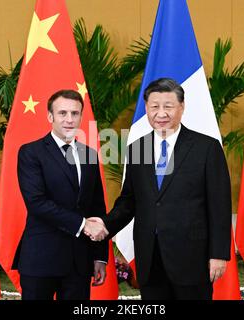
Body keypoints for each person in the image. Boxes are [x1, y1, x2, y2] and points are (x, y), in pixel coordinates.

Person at [86, 78, 232, 300]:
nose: (161, 113)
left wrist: (219, 254)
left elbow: (220, 205)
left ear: (181, 107)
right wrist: (106, 225)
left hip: (192, 258)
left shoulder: (206, 147)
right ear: (146, 108)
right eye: (154, 107)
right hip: (150, 257)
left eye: (168, 106)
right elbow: (129, 201)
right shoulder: (138, 147)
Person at [13, 89, 109, 300]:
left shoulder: (89, 155)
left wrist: (100, 256)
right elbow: (37, 203)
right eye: (62, 113)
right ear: (50, 116)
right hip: (41, 259)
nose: (69, 119)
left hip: (79, 263)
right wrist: (84, 225)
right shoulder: (30, 152)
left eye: (75, 113)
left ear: (81, 117)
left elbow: (97, 208)